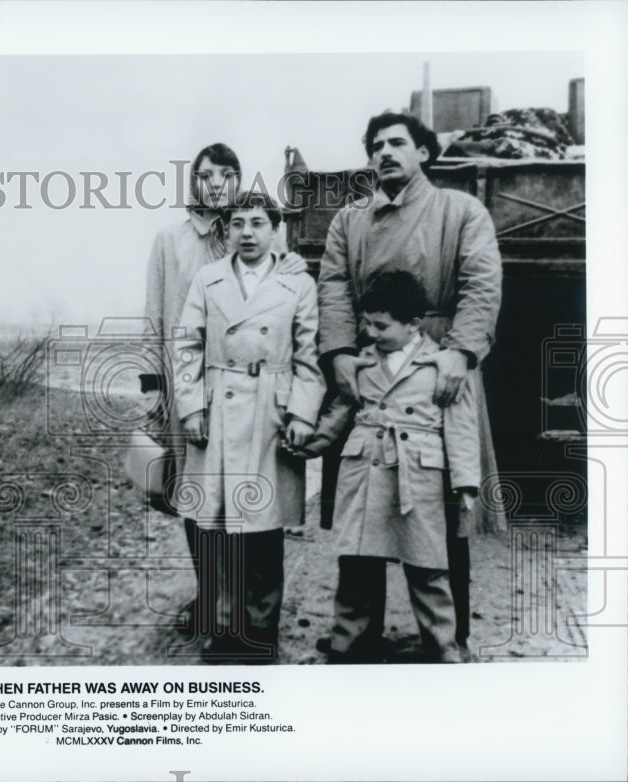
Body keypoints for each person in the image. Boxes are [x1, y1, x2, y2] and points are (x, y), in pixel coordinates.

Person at [316, 111, 503, 659]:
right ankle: (359, 634)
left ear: (424, 152)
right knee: (362, 510)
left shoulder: (461, 210)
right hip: (366, 374)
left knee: (445, 511)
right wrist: (339, 355)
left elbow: (482, 283)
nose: (385, 152)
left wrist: (461, 353)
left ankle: (449, 637)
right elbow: (331, 288)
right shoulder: (349, 221)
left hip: (439, 369)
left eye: (398, 142)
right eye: (376, 145)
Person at [172, 191, 325, 663]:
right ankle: (223, 629)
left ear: (275, 228)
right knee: (217, 526)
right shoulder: (207, 279)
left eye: (258, 223)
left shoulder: (296, 283)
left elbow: (308, 356)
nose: (248, 233)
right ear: (227, 230)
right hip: (217, 411)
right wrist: (191, 405)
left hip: (269, 415)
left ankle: (260, 632)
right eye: (237, 223)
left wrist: (302, 413)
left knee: (262, 528)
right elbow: (187, 346)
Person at [142, 143, 284, 637]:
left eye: (227, 175)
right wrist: (157, 392)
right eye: (206, 175)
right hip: (190, 390)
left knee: (248, 497)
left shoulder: (257, 235)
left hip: (247, 390)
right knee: (197, 500)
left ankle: (249, 611)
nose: (216, 185)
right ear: (193, 182)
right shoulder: (170, 240)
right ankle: (211, 598)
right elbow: (156, 317)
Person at [302, 271, 480, 663]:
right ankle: (347, 643)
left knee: (428, 568)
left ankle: (443, 647)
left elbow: (462, 426)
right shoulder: (362, 362)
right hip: (364, 469)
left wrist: (466, 483)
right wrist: (310, 445)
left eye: (380, 325)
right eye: (366, 322)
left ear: (414, 324)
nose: (370, 331)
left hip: (418, 476)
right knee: (356, 563)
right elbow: (339, 411)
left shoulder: (444, 366)